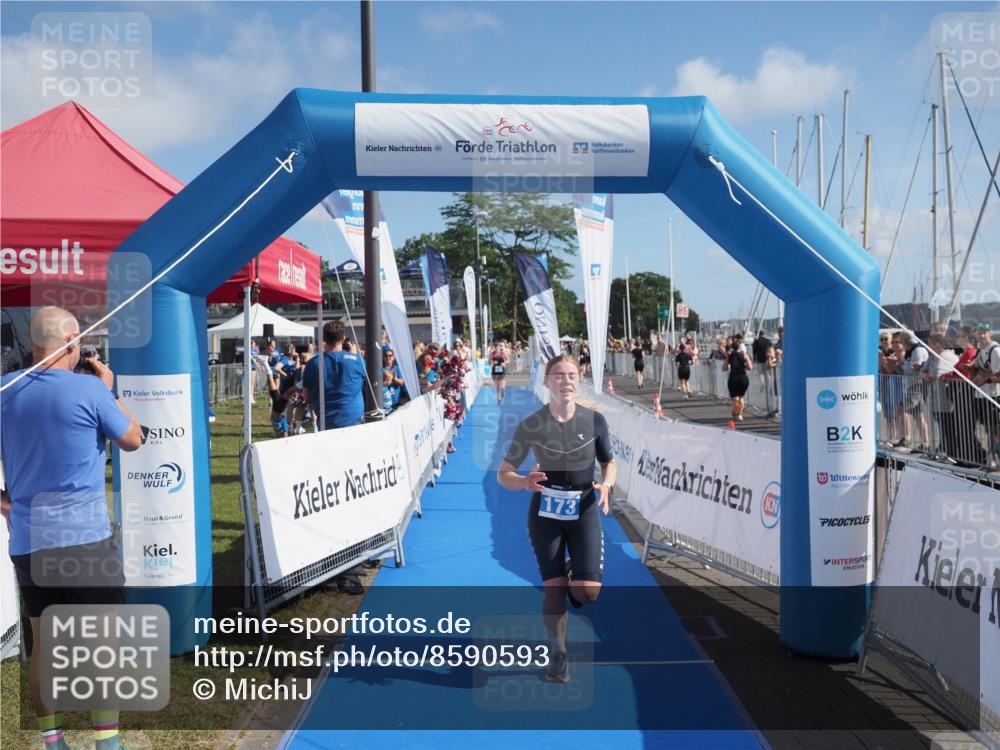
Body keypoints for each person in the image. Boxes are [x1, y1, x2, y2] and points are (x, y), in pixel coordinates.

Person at [1, 307, 142, 750]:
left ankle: (54, 741)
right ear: (70, 342)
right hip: (84, 541)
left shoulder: (5, 389)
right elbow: (133, 438)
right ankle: (107, 743)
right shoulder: (90, 389)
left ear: (31, 342)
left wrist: (4, 503)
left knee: (44, 646)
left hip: (29, 541)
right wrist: (109, 390)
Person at [497, 355, 616, 684]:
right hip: (545, 513)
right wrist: (524, 482)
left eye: (572, 375)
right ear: (546, 381)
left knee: (588, 593)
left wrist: (606, 485)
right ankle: (559, 653)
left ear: (579, 379)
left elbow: (609, 462)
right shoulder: (531, 424)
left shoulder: (595, 421)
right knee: (554, 589)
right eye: (558, 375)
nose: (566, 380)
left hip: (584, 508)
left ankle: (573, 572)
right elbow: (504, 473)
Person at [302, 320, 366, 430]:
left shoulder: (312, 363)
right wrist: (354, 355)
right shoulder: (357, 360)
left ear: (324, 339)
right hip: (354, 424)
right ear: (343, 339)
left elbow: (307, 396)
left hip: (326, 424)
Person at [971, 323, 1000, 467]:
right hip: (981, 395)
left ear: (989, 333)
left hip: (994, 395)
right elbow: (975, 369)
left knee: (995, 429)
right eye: (979, 332)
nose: (981, 335)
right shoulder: (980, 349)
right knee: (989, 429)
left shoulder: (995, 350)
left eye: (984, 332)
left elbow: (998, 375)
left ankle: (994, 457)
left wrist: (985, 378)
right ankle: (992, 457)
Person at [722, 340, 753, 422]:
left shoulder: (730, 355)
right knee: (741, 397)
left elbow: (724, 368)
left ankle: (735, 413)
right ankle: (739, 414)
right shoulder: (744, 355)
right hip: (742, 377)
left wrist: (727, 359)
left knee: (735, 399)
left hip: (734, 377)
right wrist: (744, 365)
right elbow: (750, 367)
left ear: (732, 347)